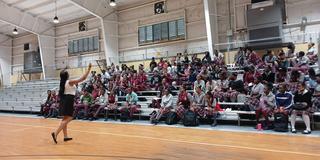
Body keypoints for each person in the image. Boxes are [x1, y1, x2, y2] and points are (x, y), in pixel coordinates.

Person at [51, 63, 92, 144]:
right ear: (66, 75)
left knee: (65, 119)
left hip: (65, 99)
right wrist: (89, 69)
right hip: (68, 100)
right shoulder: (69, 82)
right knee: (70, 118)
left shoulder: (62, 82)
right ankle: (55, 133)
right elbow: (83, 78)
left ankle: (65, 137)